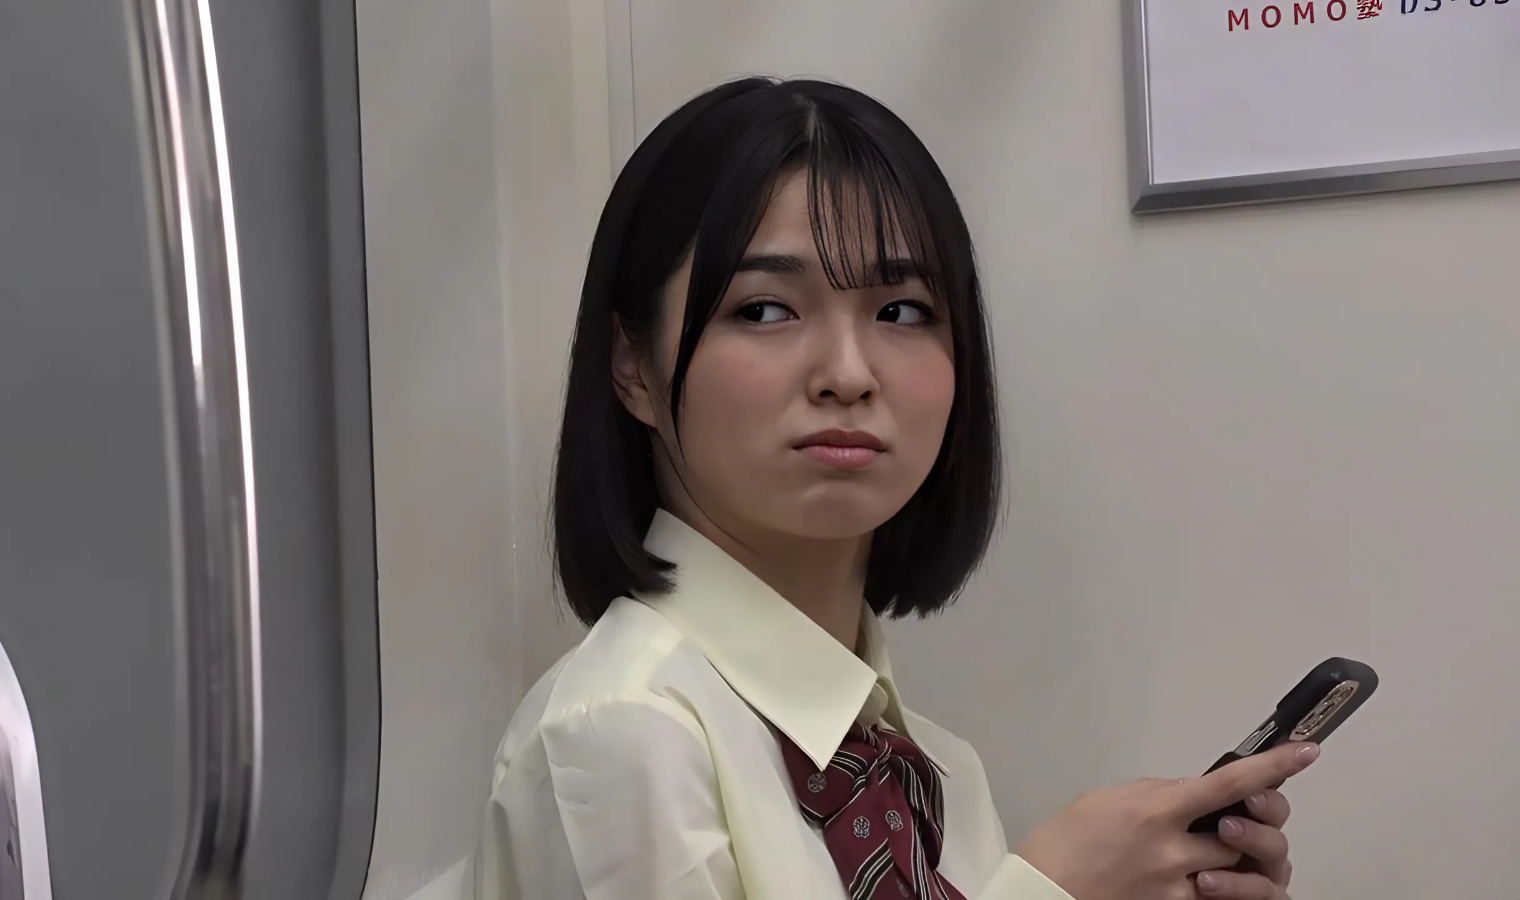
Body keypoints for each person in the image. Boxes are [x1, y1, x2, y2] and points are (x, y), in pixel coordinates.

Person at [468, 77, 1317, 900]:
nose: (848, 373)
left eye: (902, 312)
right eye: (764, 309)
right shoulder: (619, 733)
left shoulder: (939, 771)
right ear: (632, 365)